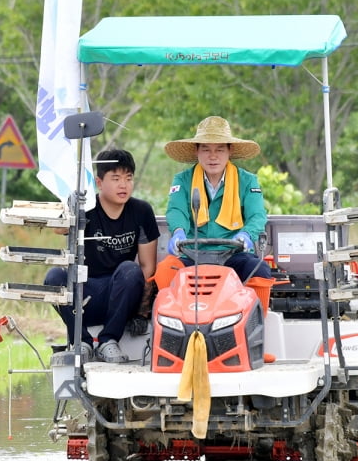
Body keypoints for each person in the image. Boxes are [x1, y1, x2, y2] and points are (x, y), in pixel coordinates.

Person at [44, 148, 160, 363]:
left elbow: (147, 267)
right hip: (85, 294)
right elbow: (58, 228)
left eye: (128, 178)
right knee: (53, 277)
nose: (123, 185)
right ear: (98, 182)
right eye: (115, 178)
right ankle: (83, 342)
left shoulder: (141, 211)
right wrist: (71, 205)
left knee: (130, 269)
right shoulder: (86, 209)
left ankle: (108, 340)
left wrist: (139, 307)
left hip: (122, 295)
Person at [164, 116, 271, 282]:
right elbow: (176, 210)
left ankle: (258, 309)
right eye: (206, 149)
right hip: (192, 254)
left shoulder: (248, 181)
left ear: (230, 151)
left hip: (234, 255)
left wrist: (246, 235)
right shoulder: (182, 180)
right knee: (166, 270)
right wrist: (178, 232)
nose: (212, 156)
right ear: (196, 151)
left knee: (259, 270)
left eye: (220, 150)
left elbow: (257, 216)